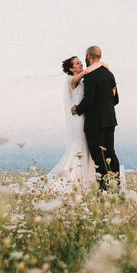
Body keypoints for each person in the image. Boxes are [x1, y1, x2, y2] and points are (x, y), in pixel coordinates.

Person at [46, 55, 100, 187]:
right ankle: (73, 180)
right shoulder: (71, 80)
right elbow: (87, 71)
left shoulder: (79, 81)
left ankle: (85, 180)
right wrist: (102, 64)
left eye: (81, 62)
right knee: (78, 148)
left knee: (85, 148)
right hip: (77, 121)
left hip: (84, 118)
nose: (81, 64)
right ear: (71, 69)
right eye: (77, 63)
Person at [71, 46, 120, 190]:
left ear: (88, 57)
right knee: (110, 154)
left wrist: (77, 110)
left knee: (99, 157)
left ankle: (104, 189)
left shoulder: (90, 76)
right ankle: (116, 186)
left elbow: (89, 100)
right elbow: (115, 100)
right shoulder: (110, 74)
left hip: (95, 122)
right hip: (110, 119)